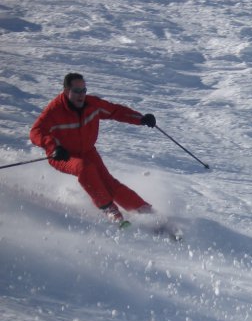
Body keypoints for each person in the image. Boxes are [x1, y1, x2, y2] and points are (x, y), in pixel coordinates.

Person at [30, 72, 157, 224]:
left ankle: (145, 211)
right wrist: (53, 146)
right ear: (66, 91)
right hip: (62, 155)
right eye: (76, 91)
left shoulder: (92, 105)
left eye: (84, 90)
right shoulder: (54, 110)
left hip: (88, 151)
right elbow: (35, 132)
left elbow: (115, 111)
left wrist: (141, 119)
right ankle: (109, 209)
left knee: (109, 183)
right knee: (84, 167)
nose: (81, 95)